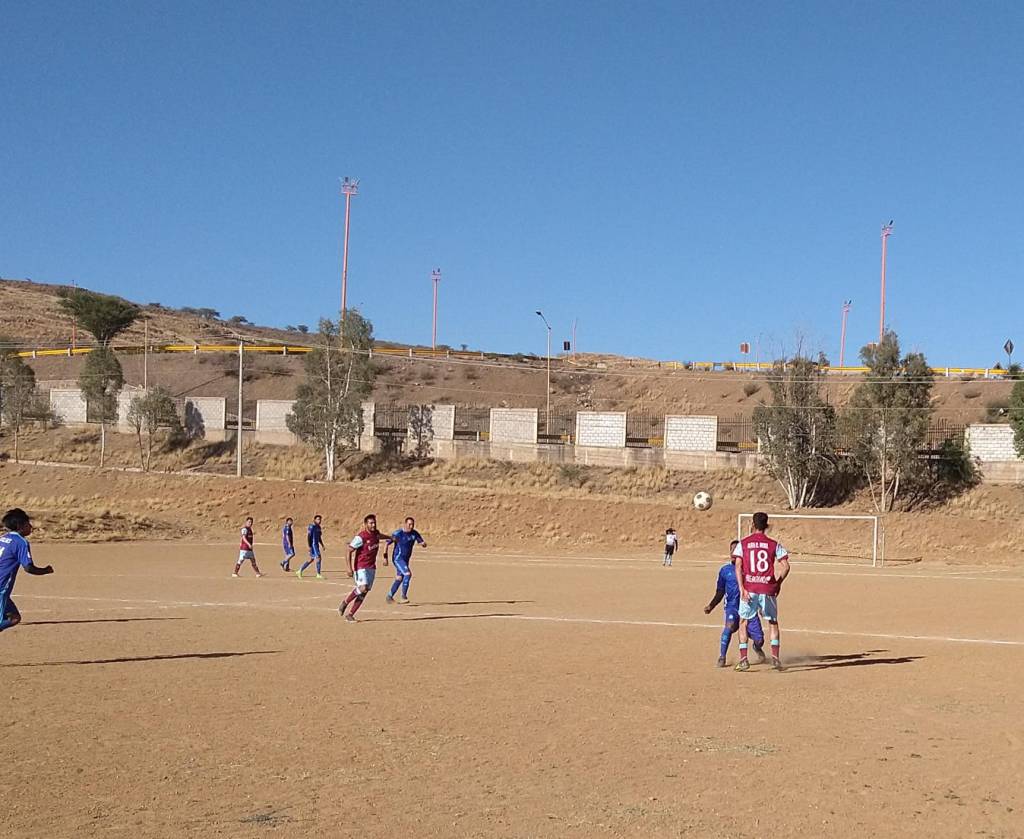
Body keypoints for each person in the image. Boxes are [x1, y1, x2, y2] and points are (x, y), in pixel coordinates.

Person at [732, 512, 790, 672]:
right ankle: (776, 658)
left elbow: (738, 566)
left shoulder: (743, 544)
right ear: (766, 525)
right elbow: (786, 566)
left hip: (750, 589)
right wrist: (777, 583)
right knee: (772, 622)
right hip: (767, 588)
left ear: (752, 524)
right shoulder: (773, 544)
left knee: (743, 622)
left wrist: (742, 588)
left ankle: (743, 660)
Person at [704, 541, 766, 667]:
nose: (733, 552)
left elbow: (758, 589)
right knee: (729, 627)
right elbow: (720, 591)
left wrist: (761, 606)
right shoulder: (724, 571)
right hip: (732, 608)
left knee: (759, 639)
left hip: (749, 607)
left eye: (736, 550)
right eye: (731, 550)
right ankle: (722, 657)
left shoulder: (749, 570)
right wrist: (711, 605)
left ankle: (756, 647)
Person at [0, 508, 54, 633]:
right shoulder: (21, 542)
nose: (31, 526)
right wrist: (45, 570)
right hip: (1, 588)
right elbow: (29, 568)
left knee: (14, 618)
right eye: (28, 524)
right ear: (20, 526)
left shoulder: (3, 538)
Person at [339, 514, 385, 622]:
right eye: (371, 523)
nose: (373, 525)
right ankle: (345, 602)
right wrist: (349, 568)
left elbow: (380, 536)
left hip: (371, 567)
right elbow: (349, 550)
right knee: (362, 588)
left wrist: (391, 537)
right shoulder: (361, 537)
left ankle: (350, 614)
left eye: (374, 522)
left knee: (364, 592)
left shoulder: (376, 534)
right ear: (365, 524)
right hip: (361, 567)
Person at [384, 516, 427, 604]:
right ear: (405, 524)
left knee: (399, 578)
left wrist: (423, 544)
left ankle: (389, 596)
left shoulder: (414, 533)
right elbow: (387, 544)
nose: (411, 526)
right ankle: (403, 596)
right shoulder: (398, 533)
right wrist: (385, 557)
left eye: (412, 524)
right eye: (409, 524)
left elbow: (421, 541)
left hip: (406, 559)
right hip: (397, 558)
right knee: (408, 574)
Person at [297, 515, 325, 579]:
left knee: (311, 559)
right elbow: (309, 536)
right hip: (313, 545)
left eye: (320, 519)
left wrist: (322, 545)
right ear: (314, 520)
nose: (319, 521)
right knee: (318, 558)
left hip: (316, 545)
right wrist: (309, 546)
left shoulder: (319, 527)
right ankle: (318, 574)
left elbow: (319, 537)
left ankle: (300, 570)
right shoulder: (312, 526)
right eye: (318, 519)